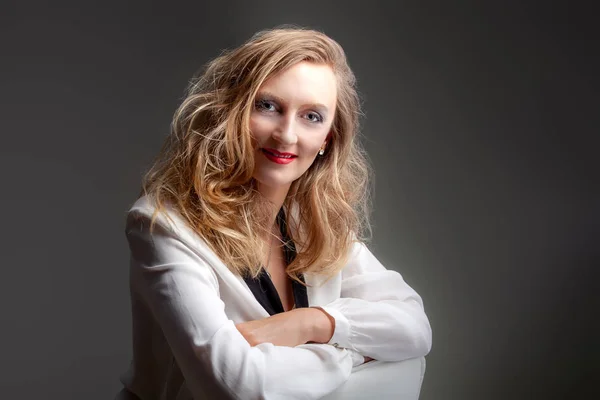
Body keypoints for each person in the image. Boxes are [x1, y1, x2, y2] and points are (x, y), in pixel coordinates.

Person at [117, 26, 432, 400]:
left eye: (311, 116)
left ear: (327, 140)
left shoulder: (310, 220)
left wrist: (312, 323)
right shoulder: (163, 224)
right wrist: (351, 356)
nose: (286, 135)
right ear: (231, 112)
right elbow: (238, 386)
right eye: (268, 106)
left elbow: (415, 329)